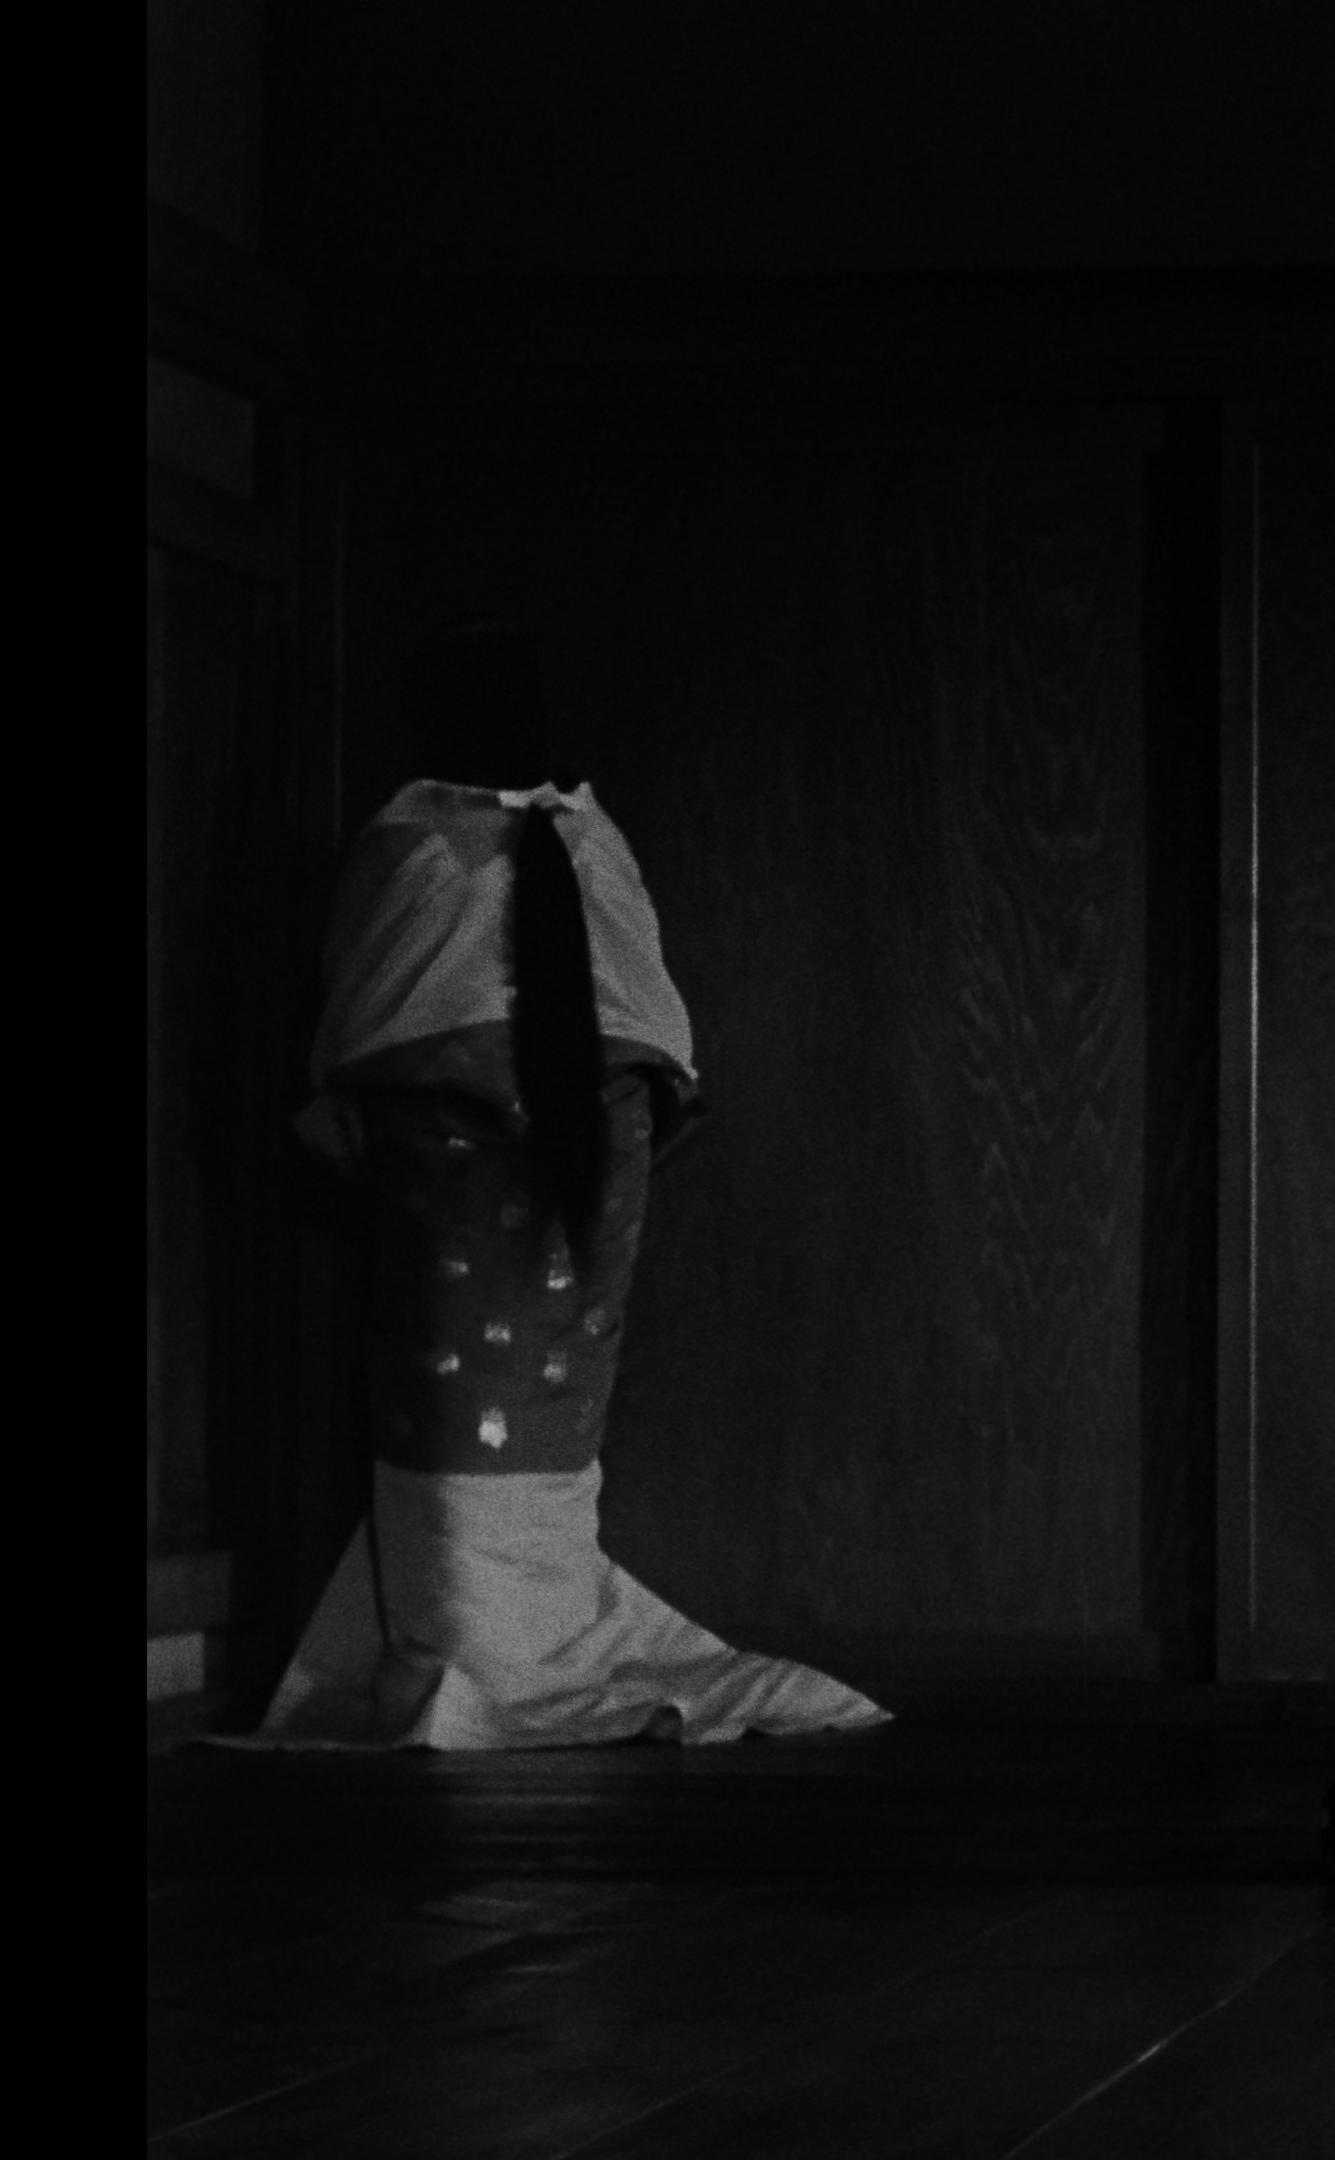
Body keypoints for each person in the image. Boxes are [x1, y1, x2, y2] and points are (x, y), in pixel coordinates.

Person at [248, 623, 887, 1749]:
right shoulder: (591, 838)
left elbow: (358, 1026)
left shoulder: (411, 840)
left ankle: (465, 1652)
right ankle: (507, 1647)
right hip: (597, 1142)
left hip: (443, 1147)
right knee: (533, 1406)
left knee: (450, 1404)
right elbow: (658, 1044)